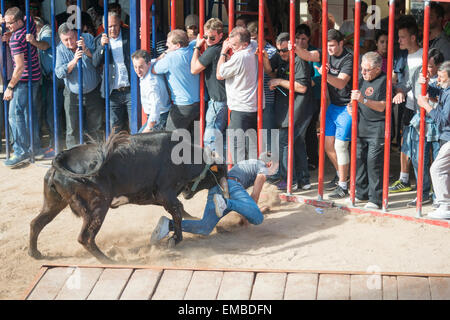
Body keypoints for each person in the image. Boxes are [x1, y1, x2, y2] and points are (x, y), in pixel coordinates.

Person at [150, 152, 279, 242]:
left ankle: (169, 225)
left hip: (217, 186)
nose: (276, 169)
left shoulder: (248, 163)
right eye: (276, 166)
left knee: (205, 227)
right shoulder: (262, 169)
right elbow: (254, 196)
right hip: (231, 185)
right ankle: (226, 203)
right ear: (269, 163)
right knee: (257, 218)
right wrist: (249, 218)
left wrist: (246, 214)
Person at [294, 29, 353, 199]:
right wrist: (295, 48)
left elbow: (341, 83)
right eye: (327, 46)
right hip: (333, 106)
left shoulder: (348, 59)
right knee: (328, 147)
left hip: (346, 106)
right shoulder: (325, 53)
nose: (330, 49)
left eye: (333, 46)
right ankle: (344, 177)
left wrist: (325, 76)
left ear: (341, 43)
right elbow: (308, 55)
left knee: (340, 146)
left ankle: (343, 184)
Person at [262, 32, 312, 191]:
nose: (282, 53)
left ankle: (289, 180)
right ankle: (304, 180)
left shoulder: (299, 61)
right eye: (279, 51)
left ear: (292, 47)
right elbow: (271, 71)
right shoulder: (280, 56)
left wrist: (279, 81)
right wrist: (264, 59)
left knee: (283, 143)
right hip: (287, 108)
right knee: (297, 144)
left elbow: (302, 87)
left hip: (300, 108)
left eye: (285, 50)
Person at [3, 7, 42, 167]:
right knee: (28, 115)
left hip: (24, 81)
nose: (7, 27)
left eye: (10, 23)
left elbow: (19, 67)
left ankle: (21, 152)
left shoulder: (15, 40)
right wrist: (5, 22)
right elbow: (26, 16)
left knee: (14, 115)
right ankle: (35, 148)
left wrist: (10, 87)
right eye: (6, 24)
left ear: (19, 21)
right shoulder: (30, 23)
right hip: (35, 78)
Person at [347, 52, 387, 210]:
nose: (363, 72)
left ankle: (375, 198)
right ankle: (361, 192)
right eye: (362, 69)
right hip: (361, 124)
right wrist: (350, 106)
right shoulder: (361, 77)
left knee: (373, 162)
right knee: (358, 159)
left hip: (377, 127)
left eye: (367, 70)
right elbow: (353, 97)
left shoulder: (384, 80)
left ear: (377, 69)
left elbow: (382, 106)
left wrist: (362, 100)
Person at [55, 22, 102, 149]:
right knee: (72, 127)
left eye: (71, 38)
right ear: (61, 39)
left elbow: (99, 60)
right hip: (72, 93)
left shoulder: (88, 38)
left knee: (95, 126)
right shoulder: (60, 49)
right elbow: (59, 73)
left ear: (77, 33)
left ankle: (96, 153)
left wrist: (86, 50)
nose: (69, 42)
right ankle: (73, 155)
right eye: (65, 40)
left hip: (93, 90)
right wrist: (74, 61)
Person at [389, 17, 422, 194]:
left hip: (424, 107)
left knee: (425, 143)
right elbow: (400, 80)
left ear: (413, 37)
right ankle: (404, 178)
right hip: (408, 105)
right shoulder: (401, 55)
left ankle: (427, 181)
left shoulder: (425, 54)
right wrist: (398, 90)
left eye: (402, 37)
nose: (399, 40)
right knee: (405, 141)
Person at [217, 26, 259, 163]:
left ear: (245, 44)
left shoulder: (240, 56)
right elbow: (252, 40)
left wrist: (223, 52)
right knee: (250, 147)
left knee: (237, 147)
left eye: (235, 45)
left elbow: (219, 74)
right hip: (252, 106)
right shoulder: (253, 46)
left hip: (240, 108)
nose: (232, 48)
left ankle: (238, 179)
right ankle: (251, 177)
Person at [417, 61, 450, 219]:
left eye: (442, 78)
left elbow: (443, 120)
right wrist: (427, 83)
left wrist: (426, 105)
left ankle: (444, 205)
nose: (439, 80)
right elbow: (437, 91)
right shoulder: (446, 89)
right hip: (446, 137)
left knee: (437, 169)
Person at [152, 29, 200, 136]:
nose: (166, 44)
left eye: (169, 43)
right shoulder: (193, 49)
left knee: (171, 139)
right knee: (193, 140)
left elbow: (154, 69)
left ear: (177, 45)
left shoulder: (171, 58)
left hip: (181, 106)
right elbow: (196, 40)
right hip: (198, 104)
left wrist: (165, 52)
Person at [190, 18, 227, 154]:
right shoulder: (220, 47)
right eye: (205, 37)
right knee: (218, 136)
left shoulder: (213, 50)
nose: (208, 40)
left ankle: (213, 170)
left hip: (218, 99)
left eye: (212, 37)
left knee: (210, 138)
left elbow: (194, 69)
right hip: (222, 97)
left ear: (220, 35)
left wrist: (197, 47)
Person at [92, 11, 132, 133]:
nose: (113, 29)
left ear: (120, 24)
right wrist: (102, 47)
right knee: (115, 128)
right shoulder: (99, 40)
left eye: (115, 25)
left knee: (135, 125)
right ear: (104, 27)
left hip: (131, 89)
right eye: (109, 26)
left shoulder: (129, 34)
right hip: (112, 91)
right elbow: (95, 62)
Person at [27, 16, 58, 159]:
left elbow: (45, 45)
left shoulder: (47, 31)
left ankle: (56, 145)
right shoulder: (40, 33)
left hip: (54, 78)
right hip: (46, 79)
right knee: (47, 112)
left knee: (52, 113)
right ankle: (53, 143)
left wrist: (33, 41)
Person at [247, 20, 277, 153]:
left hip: (268, 100)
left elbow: (274, 74)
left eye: (254, 38)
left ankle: (271, 169)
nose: (252, 42)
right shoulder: (247, 51)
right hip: (250, 101)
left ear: (262, 36)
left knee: (268, 136)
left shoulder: (273, 52)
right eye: (250, 39)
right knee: (251, 137)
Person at [295, 23, 322, 171]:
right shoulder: (293, 52)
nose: (300, 42)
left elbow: (318, 76)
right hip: (297, 96)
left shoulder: (314, 53)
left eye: (303, 39)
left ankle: (313, 159)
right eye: (297, 38)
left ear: (309, 39)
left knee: (310, 129)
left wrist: (302, 84)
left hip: (312, 96)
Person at [132, 49, 171, 132]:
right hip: (160, 115)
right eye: (135, 67)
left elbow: (155, 107)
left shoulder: (151, 84)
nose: (138, 71)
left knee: (138, 142)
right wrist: (168, 50)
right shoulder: (152, 64)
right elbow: (158, 59)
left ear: (148, 64)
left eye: (141, 67)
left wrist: (148, 128)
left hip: (159, 118)